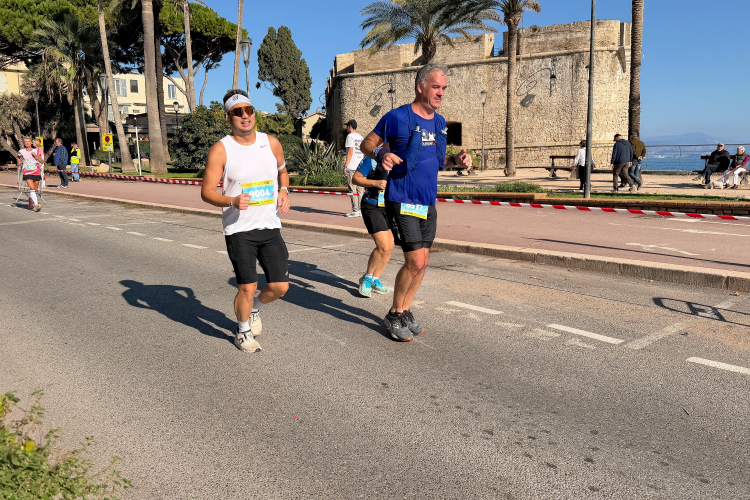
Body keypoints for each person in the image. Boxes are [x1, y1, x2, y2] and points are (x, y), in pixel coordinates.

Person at [360, 63, 472, 341]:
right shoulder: (397, 117)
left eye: (444, 88)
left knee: (423, 263)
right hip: (402, 198)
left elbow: (438, 160)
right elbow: (366, 144)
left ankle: (405, 310)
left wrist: (456, 161)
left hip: (427, 202)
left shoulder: (440, 123)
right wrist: (382, 153)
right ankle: (393, 314)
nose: (441, 93)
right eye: (436, 87)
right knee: (415, 260)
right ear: (420, 86)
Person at [201, 90, 291, 354]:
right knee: (247, 286)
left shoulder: (271, 143)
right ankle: (242, 331)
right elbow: (207, 192)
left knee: (280, 287)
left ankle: (253, 310)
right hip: (239, 229)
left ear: (254, 113)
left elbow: (283, 172)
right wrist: (231, 200)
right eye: (237, 112)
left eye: (248, 110)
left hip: (270, 225)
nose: (244, 116)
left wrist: (284, 191)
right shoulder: (221, 150)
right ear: (228, 117)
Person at [351, 156, 393, 297]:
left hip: (391, 207)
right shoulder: (372, 158)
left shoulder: (402, 158)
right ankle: (367, 278)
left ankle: (375, 279)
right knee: (383, 246)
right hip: (373, 205)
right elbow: (356, 178)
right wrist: (375, 182)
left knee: (389, 247)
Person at [343, 119, 365, 217]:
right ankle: (361, 210)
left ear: (350, 127)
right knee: (360, 189)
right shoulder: (361, 137)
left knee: (352, 189)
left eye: (347, 126)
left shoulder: (350, 137)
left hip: (352, 166)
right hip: (360, 166)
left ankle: (355, 210)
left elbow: (350, 153)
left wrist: (346, 166)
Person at [17, 136, 43, 211]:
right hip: (27, 171)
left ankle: (31, 199)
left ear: (31, 143)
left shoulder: (36, 150)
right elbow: (18, 157)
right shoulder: (21, 151)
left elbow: (42, 161)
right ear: (24, 143)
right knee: (32, 188)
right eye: (26, 142)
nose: (27, 143)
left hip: (36, 171)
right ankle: (37, 205)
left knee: (35, 189)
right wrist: (19, 161)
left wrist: (36, 156)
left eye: (28, 141)